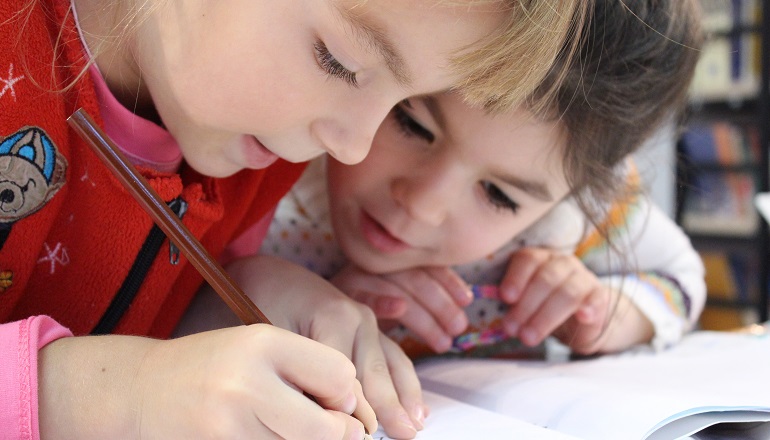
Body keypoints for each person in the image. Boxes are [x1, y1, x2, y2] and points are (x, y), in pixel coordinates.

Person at [0, 0, 592, 439]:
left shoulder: (252, 149)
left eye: (398, 104)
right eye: (338, 61)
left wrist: (242, 296)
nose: (353, 147)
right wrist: (109, 399)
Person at [187, 0, 706, 361]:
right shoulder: (275, 162)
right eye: (412, 124)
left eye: (499, 196)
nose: (422, 205)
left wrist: (609, 315)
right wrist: (293, 307)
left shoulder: (574, 222)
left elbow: (682, 278)